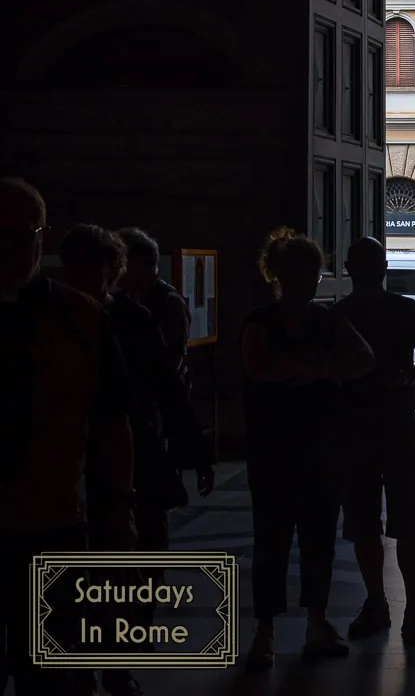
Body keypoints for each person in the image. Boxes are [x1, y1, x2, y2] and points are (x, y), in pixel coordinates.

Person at [61, 224, 215, 696]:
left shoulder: (110, 318)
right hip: (107, 451)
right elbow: (169, 390)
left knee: (130, 561)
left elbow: (168, 390)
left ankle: (112, 654)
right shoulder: (122, 317)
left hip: (127, 451)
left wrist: (194, 451)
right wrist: (195, 453)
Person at [0, 179, 136, 696]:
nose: (9, 251)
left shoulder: (81, 316)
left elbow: (111, 421)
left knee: (55, 674)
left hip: (52, 519)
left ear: (43, 237)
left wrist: (120, 507)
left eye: (20, 236)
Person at [241, 228, 376, 669]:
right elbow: (258, 368)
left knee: (299, 538)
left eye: (311, 274)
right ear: (279, 274)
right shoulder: (290, 322)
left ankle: (288, 627)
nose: (306, 282)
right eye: (300, 273)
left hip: (302, 444)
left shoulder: (307, 321)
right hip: (290, 444)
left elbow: (364, 359)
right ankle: (282, 626)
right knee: (282, 539)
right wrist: (323, 369)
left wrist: (307, 369)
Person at [338, 237, 415, 647]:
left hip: (354, 427)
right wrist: (406, 377)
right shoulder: (405, 310)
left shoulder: (338, 314)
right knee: (408, 517)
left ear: (348, 268)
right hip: (398, 424)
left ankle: (375, 601)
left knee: (364, 519)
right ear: (384, 268)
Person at [115, 228, 192, 394]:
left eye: (121, 261)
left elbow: (171, 365)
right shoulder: (122, 299)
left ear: (139, 264)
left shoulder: (170, 303)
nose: (115, 268)